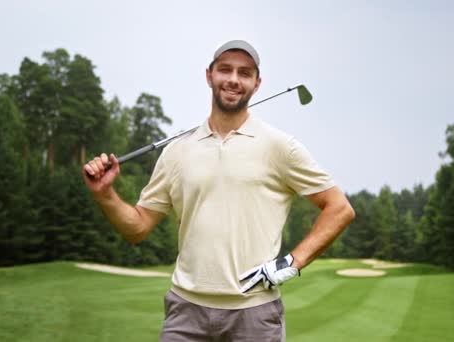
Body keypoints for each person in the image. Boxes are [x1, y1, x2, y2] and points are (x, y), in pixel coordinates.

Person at [83, 40, 355, 342]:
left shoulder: (280, 146)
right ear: (209, 75)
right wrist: (105, 194)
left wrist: (290, 263)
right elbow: (137, 228)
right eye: (225, 70)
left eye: (245, 73)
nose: (234, 80)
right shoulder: (176, 152)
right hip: (185, 313)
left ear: (257, 84)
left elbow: (339, 208)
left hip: (254, 315)